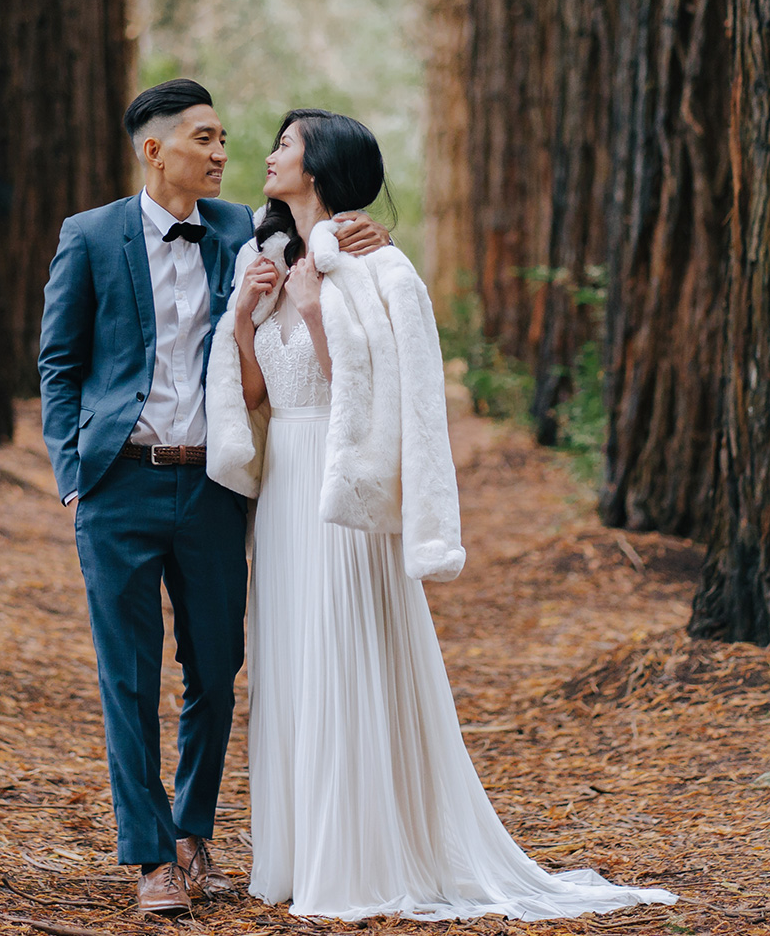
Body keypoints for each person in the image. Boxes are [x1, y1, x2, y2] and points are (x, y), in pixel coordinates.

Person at [206, 109, 678, 922]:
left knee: (346, 649)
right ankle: (300, 851)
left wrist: (317, 305)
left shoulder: (373, 267)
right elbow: (253, 396)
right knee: (292, 659)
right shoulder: (264, 259)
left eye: (287, 143)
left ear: (319, 167)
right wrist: (248, 316)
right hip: (285, 484)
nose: (270, 154)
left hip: (343, 492)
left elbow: (375, 395)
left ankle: (359, 856)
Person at [36, 80, 390, 917]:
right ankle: (150, 854)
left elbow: (317, 239)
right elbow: (58, 362)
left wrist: (354, 226)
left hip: (213, 486)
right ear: (155, 149)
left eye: (227, 137)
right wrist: (71, 471)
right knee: (126, 674)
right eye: (205, 137)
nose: (224, 151)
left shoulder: (240, 226)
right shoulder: (88, 236)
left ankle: (193, 828)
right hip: (118, 480)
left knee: (216, 670)